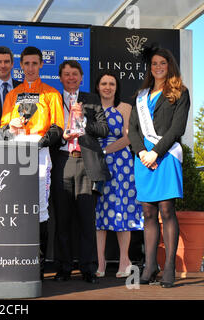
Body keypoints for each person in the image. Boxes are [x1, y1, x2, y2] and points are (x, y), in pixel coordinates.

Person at [128, 47, 190, 288]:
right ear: (150, 67)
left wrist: (156, 151)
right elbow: (132, 129)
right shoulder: (141, 95)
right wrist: (142, 152)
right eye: (154, 63)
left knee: (166, 210)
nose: (158, 67)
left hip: (165, 157)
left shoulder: (180, 92)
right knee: (148, 213)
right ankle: (150, 265)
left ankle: (170, 268)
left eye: (162, 62)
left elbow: (178, 128)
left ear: (169, 64)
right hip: (143, 159)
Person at [0, 46, 64, 279]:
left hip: (39, 153)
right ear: (21, 66)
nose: (30, 68)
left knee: (39, 208)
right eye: (26, 64)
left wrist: (39, 143)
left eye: (34, 63)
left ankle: (37, 265)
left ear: (41, 65)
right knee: (15, 206)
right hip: (15, 153)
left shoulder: (52, 94)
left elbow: (58, 128)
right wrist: (11, 128)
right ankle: (16, 260)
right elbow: (3, 129)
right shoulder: (12, 95)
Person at [51, 60, 110, 284]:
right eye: (66, 74)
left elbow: (104, 130)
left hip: (86, 163)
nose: (71, 78)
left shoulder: (92, 100)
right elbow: (49, 131)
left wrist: (84, 120)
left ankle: (88, 268)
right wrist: (61, 136)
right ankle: (63, 268)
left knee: (87, 219)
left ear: (81, 77)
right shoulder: (53, 99)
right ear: (60, 78)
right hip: (62, 161)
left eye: (75, 74)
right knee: (62, 220)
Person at [93, 71, 143, 278]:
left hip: (120, 164)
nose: (107, 87)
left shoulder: (125, 108)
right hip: (95, 163)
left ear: (116, 87)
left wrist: (105, 151)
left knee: (122, 209)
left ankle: (124, 260)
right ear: (97, 87)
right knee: (98, 212)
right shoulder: (91, 108)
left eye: (111, 83)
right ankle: (100, 262)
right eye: (103, 83)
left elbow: (129, 137)